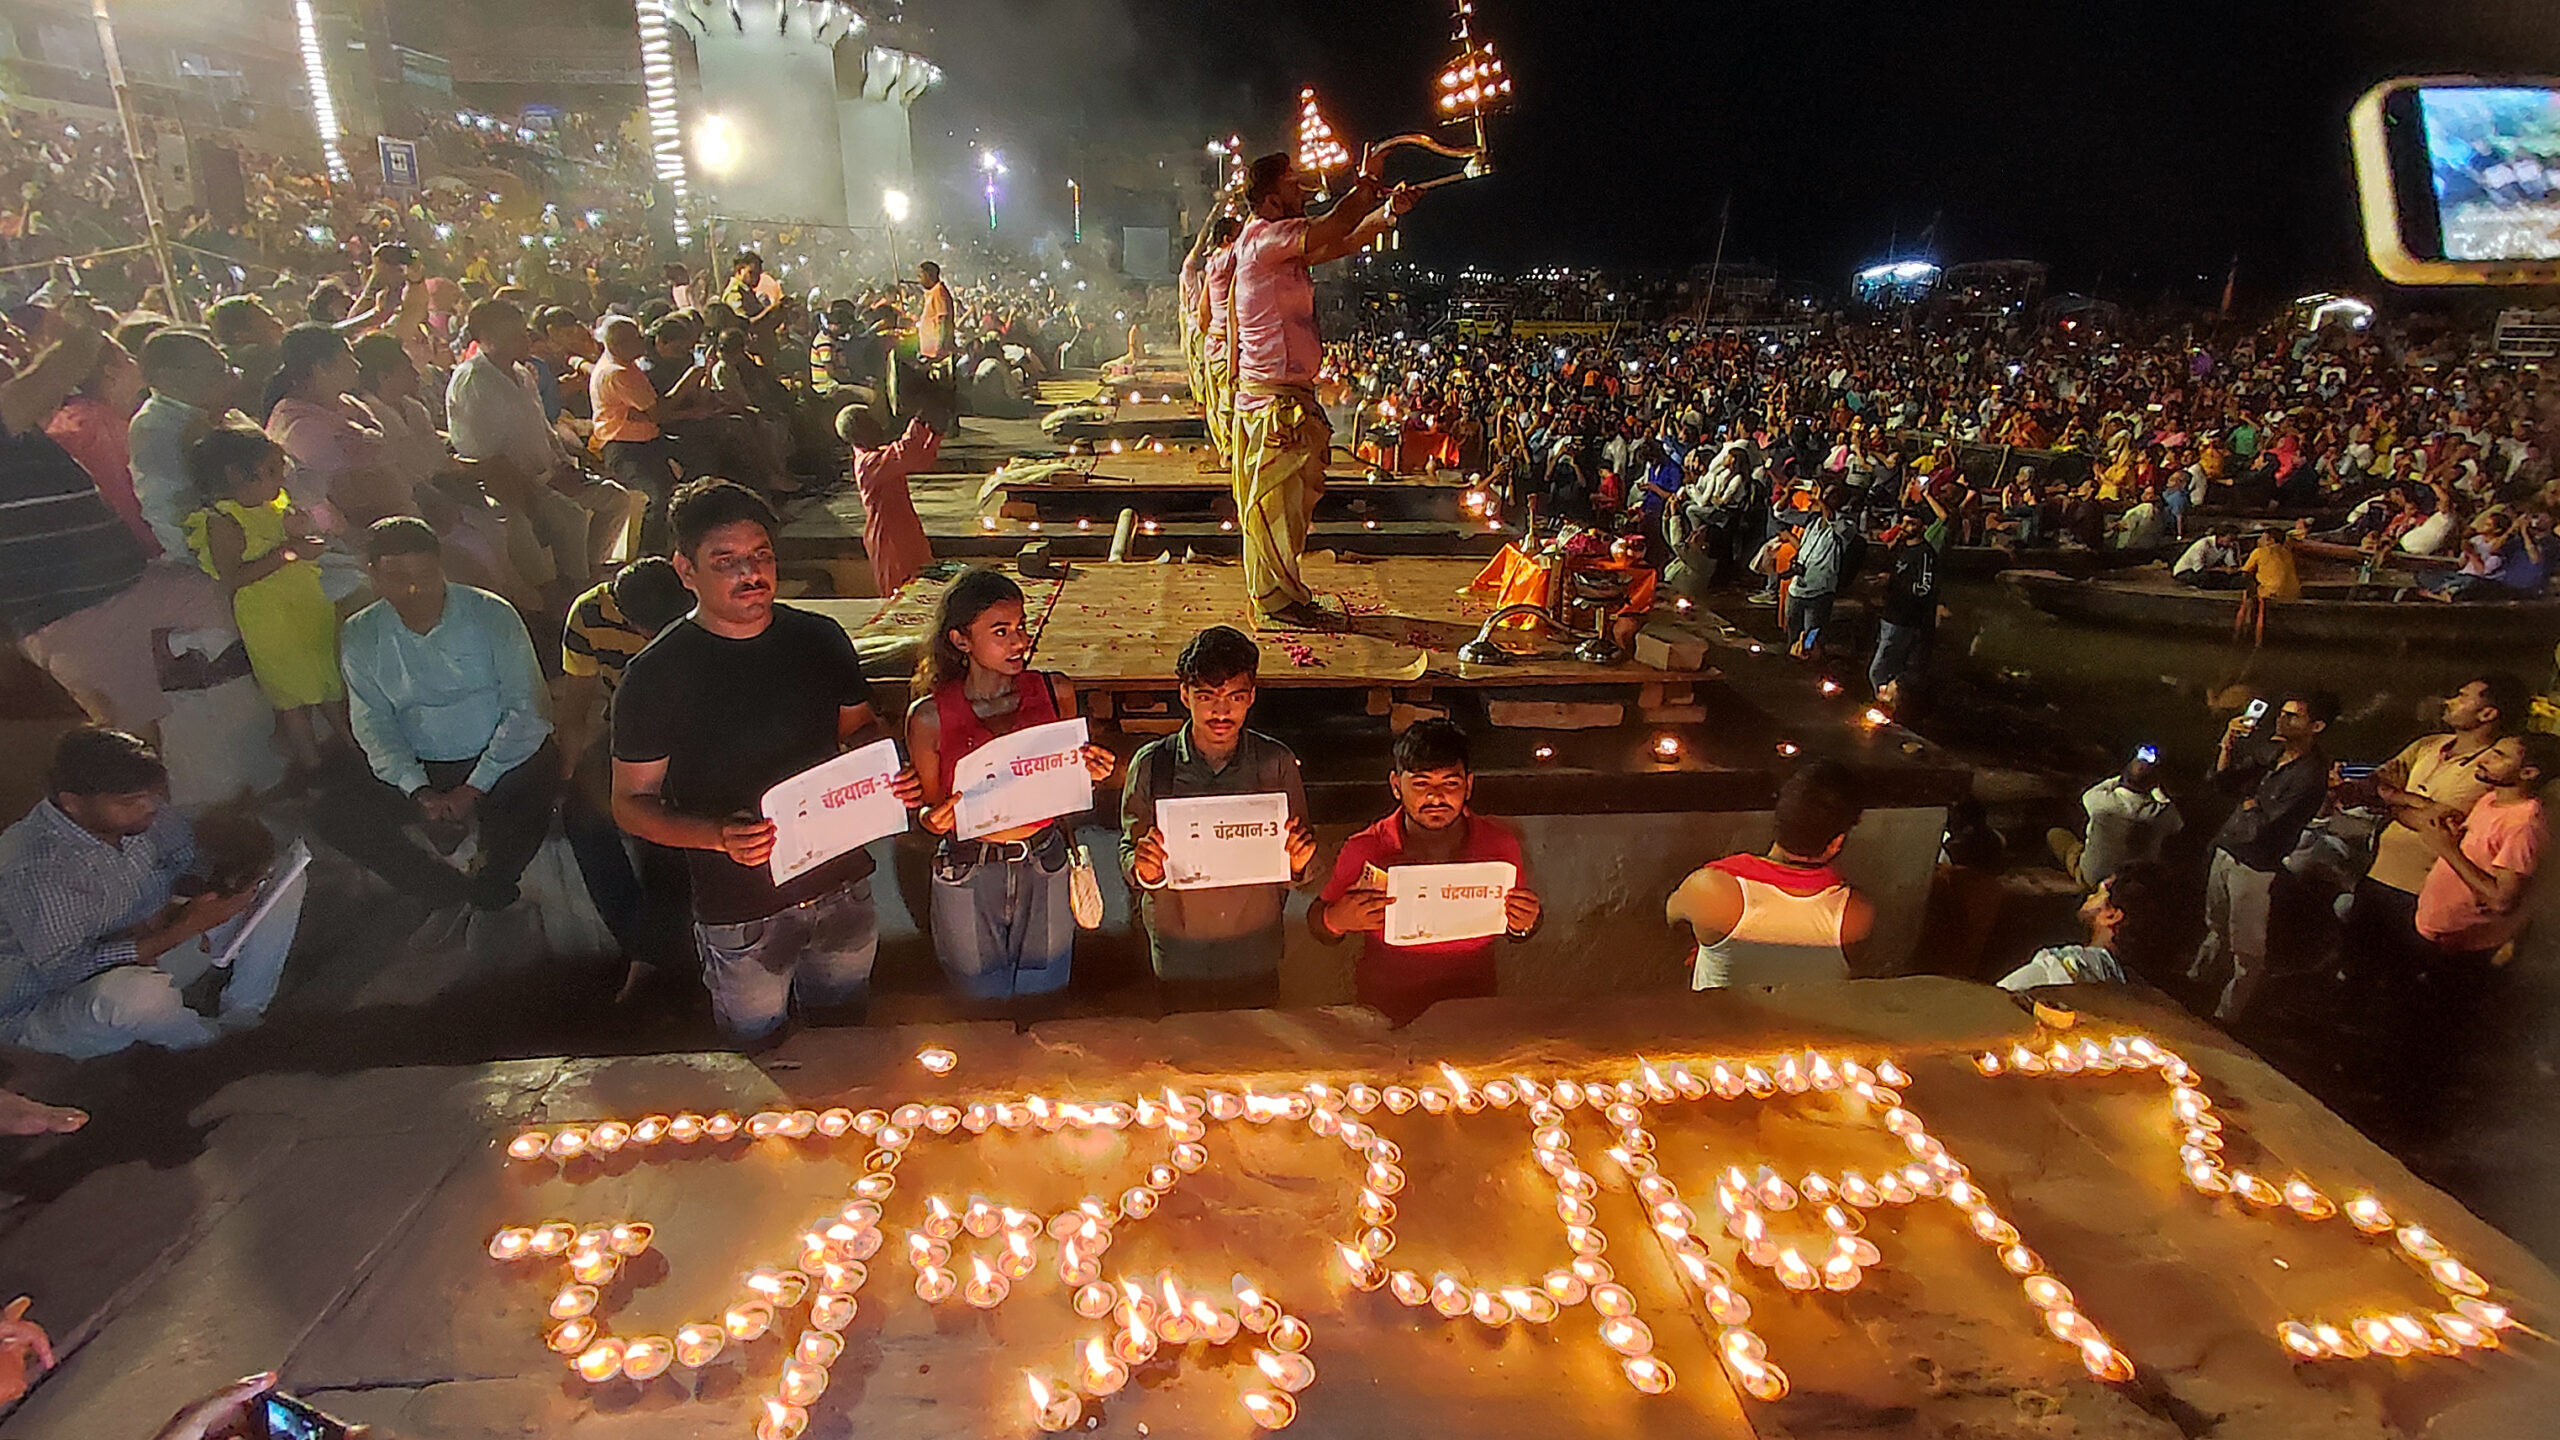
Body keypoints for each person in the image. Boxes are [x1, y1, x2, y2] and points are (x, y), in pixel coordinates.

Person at [613, 481, 923, 1042]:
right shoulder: (656, 675)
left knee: (846, 1035)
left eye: (761, 557)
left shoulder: (819, 640)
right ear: (686, 570)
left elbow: (858, 728)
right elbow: (630, 804)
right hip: (741, 906)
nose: (750, 574)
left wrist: (885, 772)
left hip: (841, 884)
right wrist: (715, 835)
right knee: (759, 1046)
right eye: (726, 562)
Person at [4, 303, 237, 743]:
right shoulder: (12, 418)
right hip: (78, 615)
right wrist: (82, 331)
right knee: (134, 746)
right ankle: (168, 809)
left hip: (133, 587)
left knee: (237, 605)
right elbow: (54, 373)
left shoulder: (21, 433)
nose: (9, 356)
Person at [0, 727, 306, 1057]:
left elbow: (185, 858)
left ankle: (242, 1014)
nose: (148, 807)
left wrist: (220, 894)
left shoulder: (141, 812)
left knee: (277, 882)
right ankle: (213, 1048)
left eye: (150, 795)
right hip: (53, 1008)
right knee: (139, 995)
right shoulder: (34, 864)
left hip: (152, 944)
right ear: (72, 803)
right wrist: (181, 929)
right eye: (129, 801)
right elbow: (64, 971)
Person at [321, 518, 562, 915]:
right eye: (397, 577)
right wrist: (418, 789)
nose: (414, 589)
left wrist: (473, 789)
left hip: (500, 757)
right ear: (374, 575)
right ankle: (442, 888)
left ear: (440, 567)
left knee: (534, 783)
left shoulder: (491, 614)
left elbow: (528, 710)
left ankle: (493, 881)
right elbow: (372, 723)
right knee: (335, 814)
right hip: (423, 762)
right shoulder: (361, 633)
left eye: (425, 575)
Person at [907, 569, 1118, 1003]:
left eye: (1021, 627)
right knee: (978, 997)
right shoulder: (929, 717)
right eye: (1000, 631)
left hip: (1044, 856)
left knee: (1047, 988)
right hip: (968, 866)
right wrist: (935, 818)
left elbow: (1069, 779)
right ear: (960, 640)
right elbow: (925, 816)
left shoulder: (1053, 690)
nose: (1019, 641)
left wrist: (1093, 770)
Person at [1231, 152, 1415, 626]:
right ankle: (1277, 601)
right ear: (1271, 198)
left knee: (1289, 509)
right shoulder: (1265, 240)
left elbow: (1343, 240)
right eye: (1294, 185)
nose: (1306, 192)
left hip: (1285, 399)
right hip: (1273, 404)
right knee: (1276, 509)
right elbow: (1334, 224)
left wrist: (1388, 213)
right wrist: (1369, 183)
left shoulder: (1280, 246)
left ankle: (1283, 594)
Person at [1120, 626, 1318, 1011]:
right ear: (1184, 695)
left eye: (1235, 697)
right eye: (1206, 697)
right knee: (1184, 1056)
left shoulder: (1274, 763)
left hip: (1254, 949)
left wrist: (1298, 862)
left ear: (1252, 698)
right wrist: (1145, 867)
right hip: (1179, 951)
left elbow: (1305, 862)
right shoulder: (1153, 764)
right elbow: (1129, 853)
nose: (1221, 712)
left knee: (1257, 1058)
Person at [1312, 719, 1542, 1024]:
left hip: (1472, 1003)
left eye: (1450, 783)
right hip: (1387, 1006)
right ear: (1396, 786)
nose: (1436, 798)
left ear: (1469, 785)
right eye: (1421, 784)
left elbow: (1518, 926)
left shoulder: (1499, 845)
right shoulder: (1367, 848)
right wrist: (1337, 919)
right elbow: (1319, 923)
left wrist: (1526, 922)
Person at [556, 557, 696, 1005]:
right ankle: (639, 938)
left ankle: (648, 959)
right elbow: (576, 701)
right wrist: (570, 769)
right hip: (628, 732)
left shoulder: (701, 609)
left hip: (696, 735)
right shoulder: (590, 616)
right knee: (581, 816)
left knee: (661, 828)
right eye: (648, 632)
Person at [2342, 674, 2528, 991]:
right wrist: (2403, 800)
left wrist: (2395, 798)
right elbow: (2373, 785)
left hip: (2419, 890)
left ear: (2488, 713)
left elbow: (2439, 821)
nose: (2450, 701)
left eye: (2462, 696)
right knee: (2354, 964)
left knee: (2395, 979)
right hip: (2377, 875)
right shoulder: (2429, 745)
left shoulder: (2491, 769)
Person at [183, 425, 343, 776]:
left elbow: (298, 543)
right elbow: (233, 577)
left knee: (328, 682)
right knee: (294, 699)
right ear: (235, 474)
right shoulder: (222, 520)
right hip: (270, 619)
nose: (279, 481)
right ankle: (313, 769)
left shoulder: (276, 504)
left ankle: (356, 752)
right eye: (270, 472)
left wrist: (302, 538)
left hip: (304, 605)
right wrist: (288, 551)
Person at [2189, 691, 2334, 1022]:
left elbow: (2264, 827)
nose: (2281, 720)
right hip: (2229, 851)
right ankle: (2195, 985)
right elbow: (2223, 783)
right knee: (2216, 925)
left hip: (2256, 867)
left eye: (2292, 716)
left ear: (2317, 726)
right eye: (2281, 713)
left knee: (2248, 950)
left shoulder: (2309, 776)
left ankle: (2227, 1016)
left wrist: (2249, 800)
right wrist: (2228, 743)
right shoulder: (2272, 752)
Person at [1667, 761, 1876, 989]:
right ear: (1837, 842)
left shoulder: (1709, 889)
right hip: (1808, 1024)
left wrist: (1711, 934)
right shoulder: (1857, 914)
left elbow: (1673, 918)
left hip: (1719, 1023)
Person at [129, 328, 244, 558]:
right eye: (216, 371)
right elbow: (183, 512)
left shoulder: (215, 412)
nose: (232, 378)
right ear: (168, 378)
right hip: (215, 557)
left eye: (228, 366)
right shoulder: (155, 428)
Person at [1996, 859, 2175, 990]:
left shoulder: (2068, 968)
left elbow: (1995, 1003)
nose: (2090, 896)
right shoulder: (2141, 992)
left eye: (2099, 891)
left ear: (2111, 915)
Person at [590, 315, 681, 550]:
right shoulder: (617, 372)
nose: (642, 342)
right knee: (656, 496)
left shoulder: (630, 367)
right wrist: (688, 381)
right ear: (617, 345)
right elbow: (658, 412)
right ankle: (647, 551)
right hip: (625, 447)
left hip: (648, 441)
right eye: (635, 339)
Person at [2048, 746, 2184, 888]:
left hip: (2093, 878)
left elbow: (2088, 794)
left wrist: (2123, 779)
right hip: (2131, 882)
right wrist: (2159, 793)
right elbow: (2178, 823)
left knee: (2055, 834)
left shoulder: (2099, 801)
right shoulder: (2162, 814)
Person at [845, 412, 941, 598]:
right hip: (888, 538)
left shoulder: (877, 455)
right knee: (899, 593)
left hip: (906, 531)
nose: (878, 426)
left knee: (924, 584)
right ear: (857, 434)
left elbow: (919, 460)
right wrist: (920, 420)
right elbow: (905, 451)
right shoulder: (867, 463)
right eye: (870, 423)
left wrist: (935, 433)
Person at [1869, 489, 1951, 705]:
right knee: (1887, 668)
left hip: (1905, 620)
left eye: (1911, 524)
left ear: (1922, 527)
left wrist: (1894, 582)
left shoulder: (1925, 554)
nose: (1906, 528)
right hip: (1889, 614)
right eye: (1904, 523)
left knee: (1878, 671)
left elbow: (1923, 588)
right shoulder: (1902, 548)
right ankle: (1887, 704)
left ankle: (1886, 704)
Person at [2171, 523, 2247, 588]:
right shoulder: (2203, 544)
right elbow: (2198, 568)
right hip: (2188, 571)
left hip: (2207, 570)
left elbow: (2231, 563)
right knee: (2205, 578)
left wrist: (2235, 568)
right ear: (2220, 537)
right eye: (2230, 539)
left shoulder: (2226, 548)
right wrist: (2221, 569)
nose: (2232, 543)